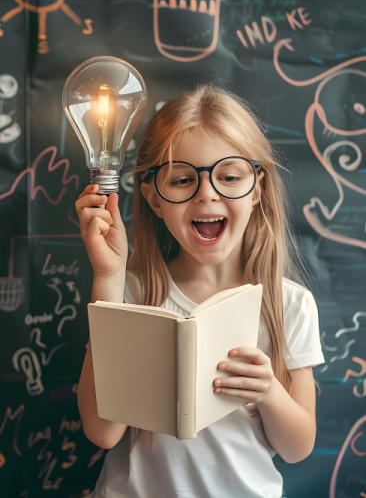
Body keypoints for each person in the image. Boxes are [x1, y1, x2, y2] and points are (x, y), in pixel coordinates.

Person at [75, 85, 325, 498]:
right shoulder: (131, 292)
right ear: (155, 199)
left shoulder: (290, 304)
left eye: (229, 176)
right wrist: (108, 277)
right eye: (183, 179)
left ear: (257, 188)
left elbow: (298, 448)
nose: (207, 192)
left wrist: (268, 392)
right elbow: (103, 432)